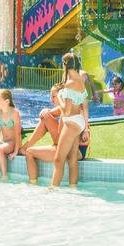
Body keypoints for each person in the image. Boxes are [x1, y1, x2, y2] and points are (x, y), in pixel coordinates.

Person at [49, 52, 90, 187]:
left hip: (71, 121)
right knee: (72, 159)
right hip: (78, 121)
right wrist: (85, 128)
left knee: (58, 159)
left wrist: (59, 97)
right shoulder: (81, 80)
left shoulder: (69, 84)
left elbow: (66, 111)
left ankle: (52, 189)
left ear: (65, 65)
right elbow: (84, 107)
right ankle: (73, 188)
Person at [0, 88, 21, 180]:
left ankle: (4, 177)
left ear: (6, 102)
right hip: (2, 141)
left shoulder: (14, 113)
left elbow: (18, 134)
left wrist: (16, 151)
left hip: (12, 142)